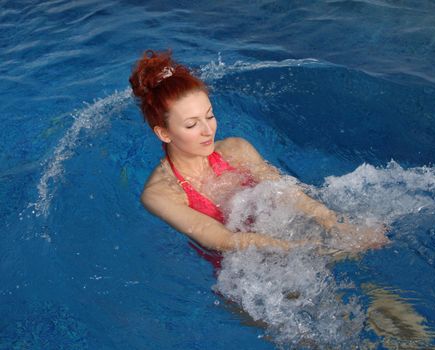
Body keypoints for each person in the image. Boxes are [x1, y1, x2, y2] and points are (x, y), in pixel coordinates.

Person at [129, 49, 388, 266]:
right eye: (191, 125)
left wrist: (333, 224)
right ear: (164, 133)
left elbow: (287, 193)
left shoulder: (235, 150)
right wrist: (311, 251)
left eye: (209, 116)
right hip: (246, 270)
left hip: (290, 235)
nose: (209, 130)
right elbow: (224, 241)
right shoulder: (161, 195)